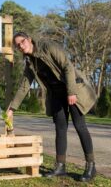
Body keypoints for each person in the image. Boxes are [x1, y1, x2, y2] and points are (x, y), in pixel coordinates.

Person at [6, 31, 97, 182]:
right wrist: (12, 108)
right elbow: (24, 86)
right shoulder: (30, 62)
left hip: (72, 90)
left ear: (29, 39)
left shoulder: (48, 47)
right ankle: (60, 166)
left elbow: (67, 66)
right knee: (60, 128)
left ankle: (91, 166)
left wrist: (71, 92)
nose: (21, 46)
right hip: (56, 95)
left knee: (80, 125)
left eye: (22, 42)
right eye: (18, 45)